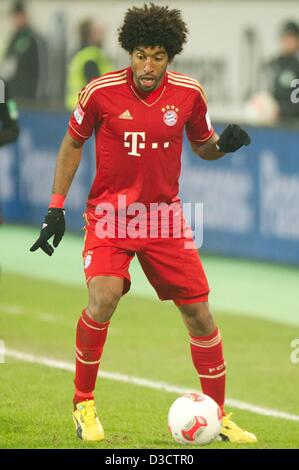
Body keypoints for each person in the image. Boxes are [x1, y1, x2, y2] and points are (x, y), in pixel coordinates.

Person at [30, 3, 256, 444]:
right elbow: (72, 144)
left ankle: (218, 415)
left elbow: (203, 146)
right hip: (111, 216)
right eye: (139, 55)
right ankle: (83, 404)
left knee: (201, 316)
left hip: (163, 218)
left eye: (156, 56)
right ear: (129, 52)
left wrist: (223, 146)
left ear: (170, 56)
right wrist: (56, 207)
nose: (147, 66)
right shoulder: (100, 92)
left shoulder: (189, 94)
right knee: (104, 296)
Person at [65, 19, 113, 111]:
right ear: (90, 35)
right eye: (97, 31)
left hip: (78, 107)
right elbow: (95, 87)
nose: (102, 34)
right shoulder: (91, 57)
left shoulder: (81, 53)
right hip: (87, 109)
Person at [2, 0, 45, 101]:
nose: (14, 19)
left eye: (17, 16)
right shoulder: (13, 38)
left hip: (29, 100)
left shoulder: (34, 39)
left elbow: (42, 71)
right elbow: (6, 69)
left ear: (24, 15)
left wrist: (38, 98)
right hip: (12, 98)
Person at [268, 20, 299, 119]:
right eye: (286, 37)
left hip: (294, 125)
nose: (288, 42)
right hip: (273, 125)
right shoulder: (274, 64)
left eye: (292, 38)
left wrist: (281, 111)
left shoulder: (296, 66)